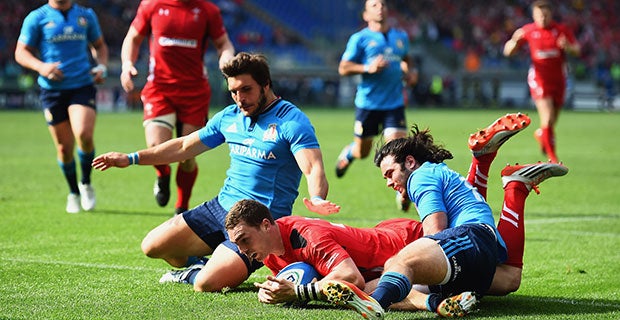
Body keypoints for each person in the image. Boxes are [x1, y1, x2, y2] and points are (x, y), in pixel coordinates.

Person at [92, 52, 340, 292]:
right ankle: (202, 263)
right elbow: (184, 145)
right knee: (153, 246)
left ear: (265, 85)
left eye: (246, 89)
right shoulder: (230, 116)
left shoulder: (291, 121)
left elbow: (313, 167)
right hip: (221, 207)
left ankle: (195, 273)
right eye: (233, 91)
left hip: (259, 222)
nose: (239, 98)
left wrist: (317, 198)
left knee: (206, 284)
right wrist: (131, 158)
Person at [320, 113, 568, 318]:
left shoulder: (420, 178)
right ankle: (513, 187)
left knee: (398, 263)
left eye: (389, 173)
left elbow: (436, 234)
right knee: (509, 280)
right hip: (482, 250)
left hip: (474, 238)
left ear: (409, 162)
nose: (388, 183)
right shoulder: (435, 172)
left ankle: (374, 303)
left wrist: (408, 259)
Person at [120, 0, 236, 214]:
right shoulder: (152, 5)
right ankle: (162, 174)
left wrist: (226, 59)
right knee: (156, 146)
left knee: (187, 155)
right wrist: (127, 65)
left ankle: (181, 207)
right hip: (159, 89)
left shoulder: (207, 10)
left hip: (195, 92)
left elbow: (224, 43)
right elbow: (133, 38)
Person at [224, 198, 423, 308]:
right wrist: (271, 290)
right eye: (237, 243)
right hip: (383, 252)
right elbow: (301, 278)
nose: (242, 250)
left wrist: (299, 292)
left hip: (410, 242)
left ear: (266, 225)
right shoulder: (269, 250)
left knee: (373, 294)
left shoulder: (310, 238)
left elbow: (352, 278)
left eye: (245, 240)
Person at [15, 0, 109, 213]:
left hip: (82, 85)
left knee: (84, 134)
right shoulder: (37, 18)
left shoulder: (86, 15)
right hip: (52, 91)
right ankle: (73, 191)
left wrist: (101, 66)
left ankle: (85, 182)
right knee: (64, 148)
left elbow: (100, 46)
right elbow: (21, 52)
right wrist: (42, 67)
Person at [335, 0, 417, 212]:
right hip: (368, 104)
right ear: (365, 14)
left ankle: (404, 192)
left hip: (394, 103)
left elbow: (406, 59)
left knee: (398, 150)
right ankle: (350, 153)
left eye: (382, 4)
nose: (379, 7)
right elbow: (343, 68)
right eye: (374, 5)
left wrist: (410, 73)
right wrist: (367, 68)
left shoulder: (401, 37)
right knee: (364, 151)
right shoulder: (359, 39)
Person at [503, 0, 581, 163]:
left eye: (545, 14)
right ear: (533, 15)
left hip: (559, 79)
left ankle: (541, 135)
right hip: (539, 79)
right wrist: (515, 42)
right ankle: (553, 158)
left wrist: (568, 47)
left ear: (551, 14)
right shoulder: (528, 31)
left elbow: (577, 50)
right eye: (539, 15)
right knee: (546, 117)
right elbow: (507, 51)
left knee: (551, 121)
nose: (543, 18)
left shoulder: (560, 30)